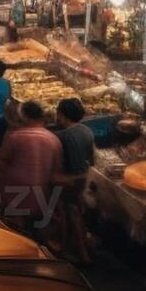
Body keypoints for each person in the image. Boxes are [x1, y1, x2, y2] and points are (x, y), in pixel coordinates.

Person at [0, 101, 63, 232]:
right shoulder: (54, 139)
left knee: (14, 223)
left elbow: (1, 160)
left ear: (23, 117)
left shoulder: (15, 137)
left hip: (15, 191)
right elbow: (56, 168)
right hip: (41, 191)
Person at [54, 97, 96, 263]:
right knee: (76, 212)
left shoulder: (61, 136)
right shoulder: (87, 130)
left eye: (58, 112)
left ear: (63, 115)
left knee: (70, 214)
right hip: (86, 177)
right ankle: (75, 246)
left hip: (70, 180)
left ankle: (78, 253)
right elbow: (92, 159)